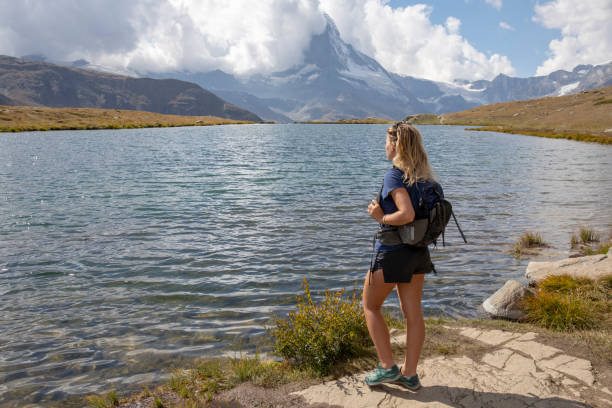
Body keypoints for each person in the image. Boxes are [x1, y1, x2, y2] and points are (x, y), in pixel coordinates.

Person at [364, 122, 435, 390]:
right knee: (412, 312)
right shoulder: (424, 176)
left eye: (386, 142)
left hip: (393, 252)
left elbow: (406, 214)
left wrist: (380, 216)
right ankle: (409, 374)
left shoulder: (395, 175)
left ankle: (387, 368)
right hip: (418, 252)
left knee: (370, 306)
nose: (385, 146)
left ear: (395, 146)